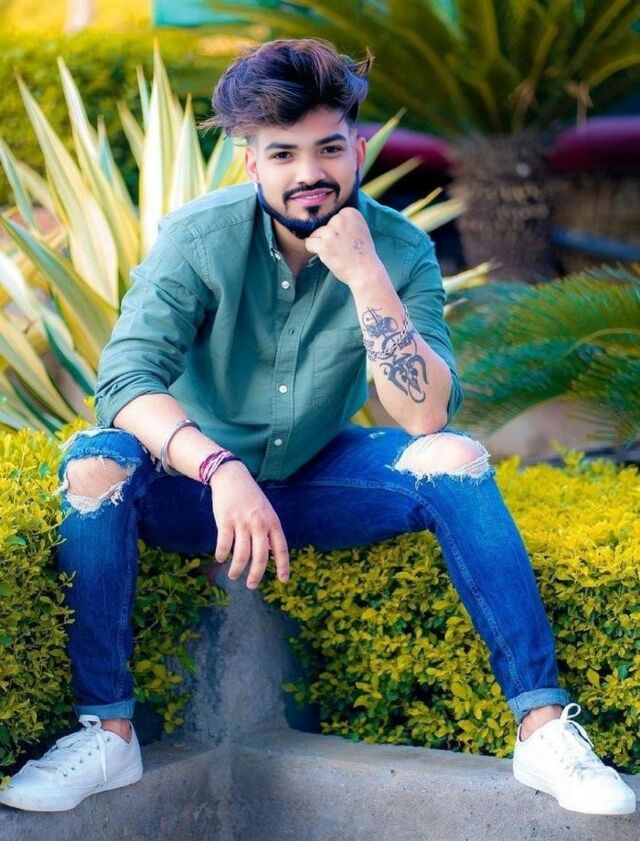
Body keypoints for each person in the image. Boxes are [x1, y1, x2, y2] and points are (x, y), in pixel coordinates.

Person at [0, 38, 634, 816]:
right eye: (283, 153)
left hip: (313, 484)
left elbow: (423, 414)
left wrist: (365, 274)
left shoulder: (399, 249)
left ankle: (543, 731)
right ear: (251, 163)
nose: (310, 172)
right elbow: (125, 381)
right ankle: (107, 732)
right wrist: (220, 468)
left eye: (329, 148)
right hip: (192, 489)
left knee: (456, 458)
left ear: (357, 150)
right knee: (96, 462)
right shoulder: (196, 239)